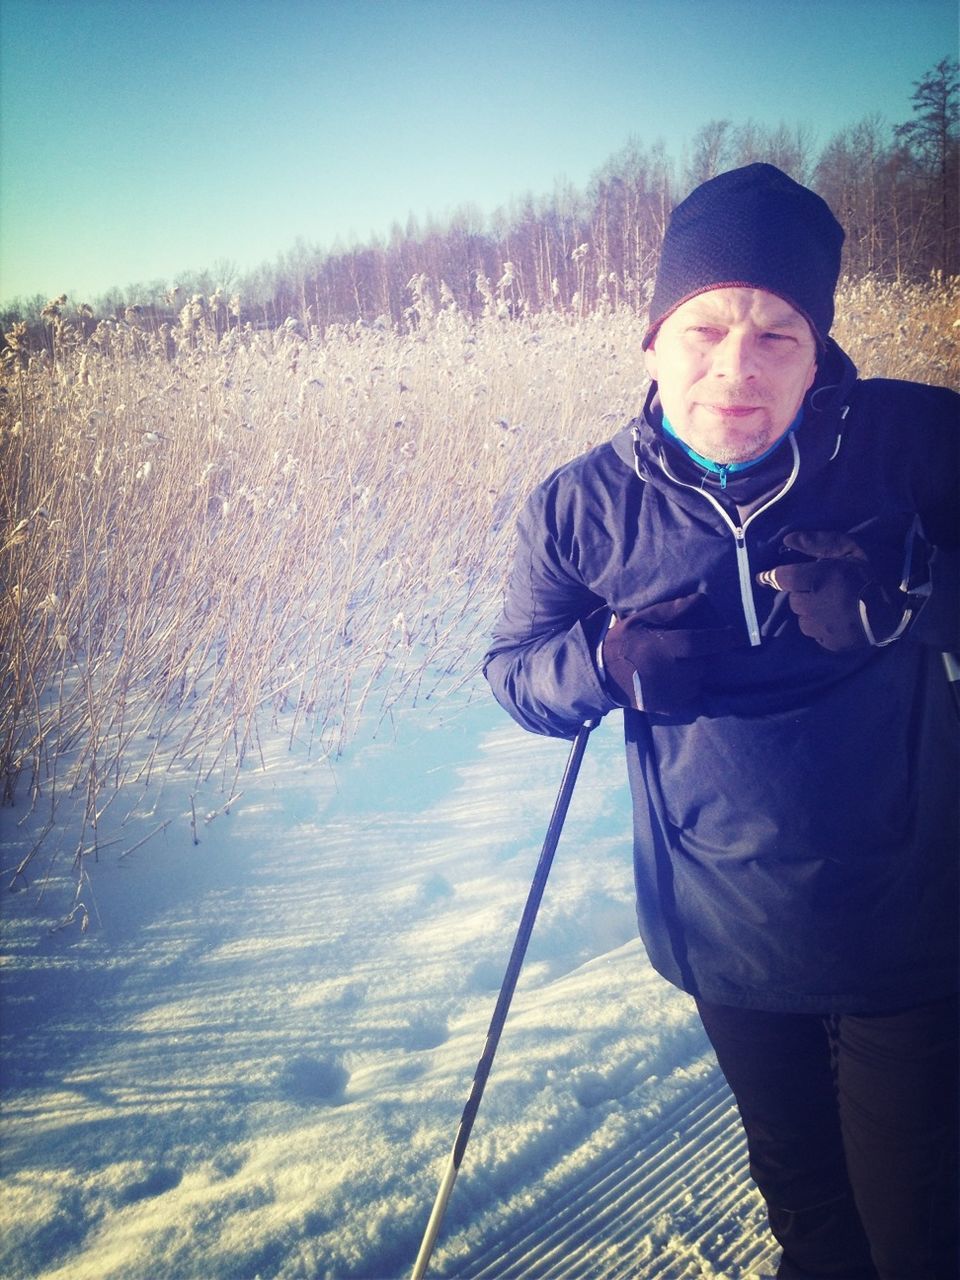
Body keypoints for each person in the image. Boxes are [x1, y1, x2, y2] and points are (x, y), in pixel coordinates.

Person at [483, 163, 959, 1280]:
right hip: (724, 939)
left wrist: (913, 590)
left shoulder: (914, 443)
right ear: (651, 340)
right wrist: (603, 661)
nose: (735, 368)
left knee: (919, 1237)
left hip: (913, 926)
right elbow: (513, 673)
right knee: (809, 1220)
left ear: (821, 350)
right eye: (704, 329)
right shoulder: (579, 508)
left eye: (776, 334)